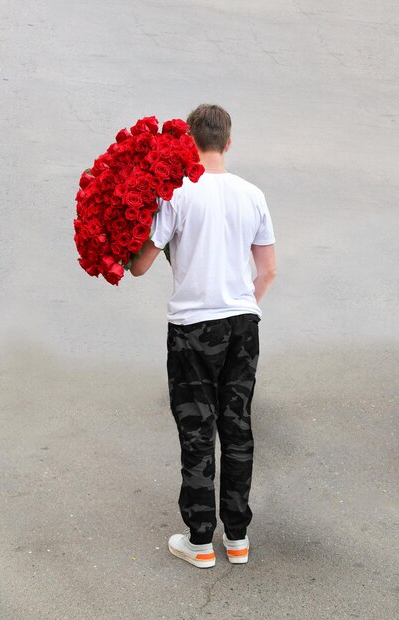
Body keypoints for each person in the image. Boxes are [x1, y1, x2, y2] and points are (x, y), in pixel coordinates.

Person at [130, 104, 277, 568]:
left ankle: (199, 541)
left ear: (189, 141)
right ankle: (237, 539)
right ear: (228, 142)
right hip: (242, 324)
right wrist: (241, 303)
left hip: (193, 328)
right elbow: (268, 269)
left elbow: (139, 266)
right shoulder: (252, 194)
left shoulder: (177, 194)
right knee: (237, 429)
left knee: (197, 432)